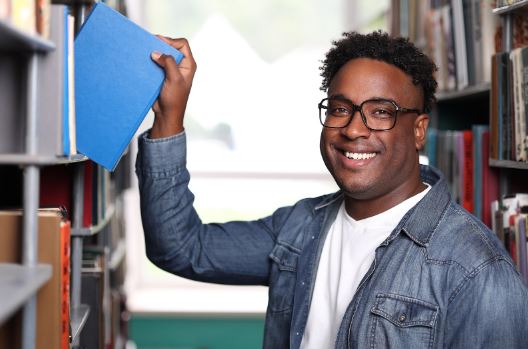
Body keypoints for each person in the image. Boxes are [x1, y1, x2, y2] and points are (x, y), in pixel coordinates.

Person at [136, 31, 528, 348]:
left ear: (419, 130)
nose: (354, 129)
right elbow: (180, 248)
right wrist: (170, 118)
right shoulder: (300, 226)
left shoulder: (476, 271)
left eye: (380, 112)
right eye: (341, 109)